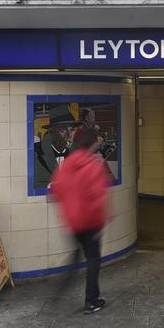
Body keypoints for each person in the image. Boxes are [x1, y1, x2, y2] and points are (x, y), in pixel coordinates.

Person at [49, 131, 112, 314]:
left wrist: (68, 211)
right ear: (92, 146)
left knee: (76, 257)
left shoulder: (67, 164)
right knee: (93, 260)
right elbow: (99, 196)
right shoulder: (93, 166)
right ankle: (91, 301)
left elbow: (57, 189)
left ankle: (60, 288)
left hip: (73, 223)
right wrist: (102, 222)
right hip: (90, 223)